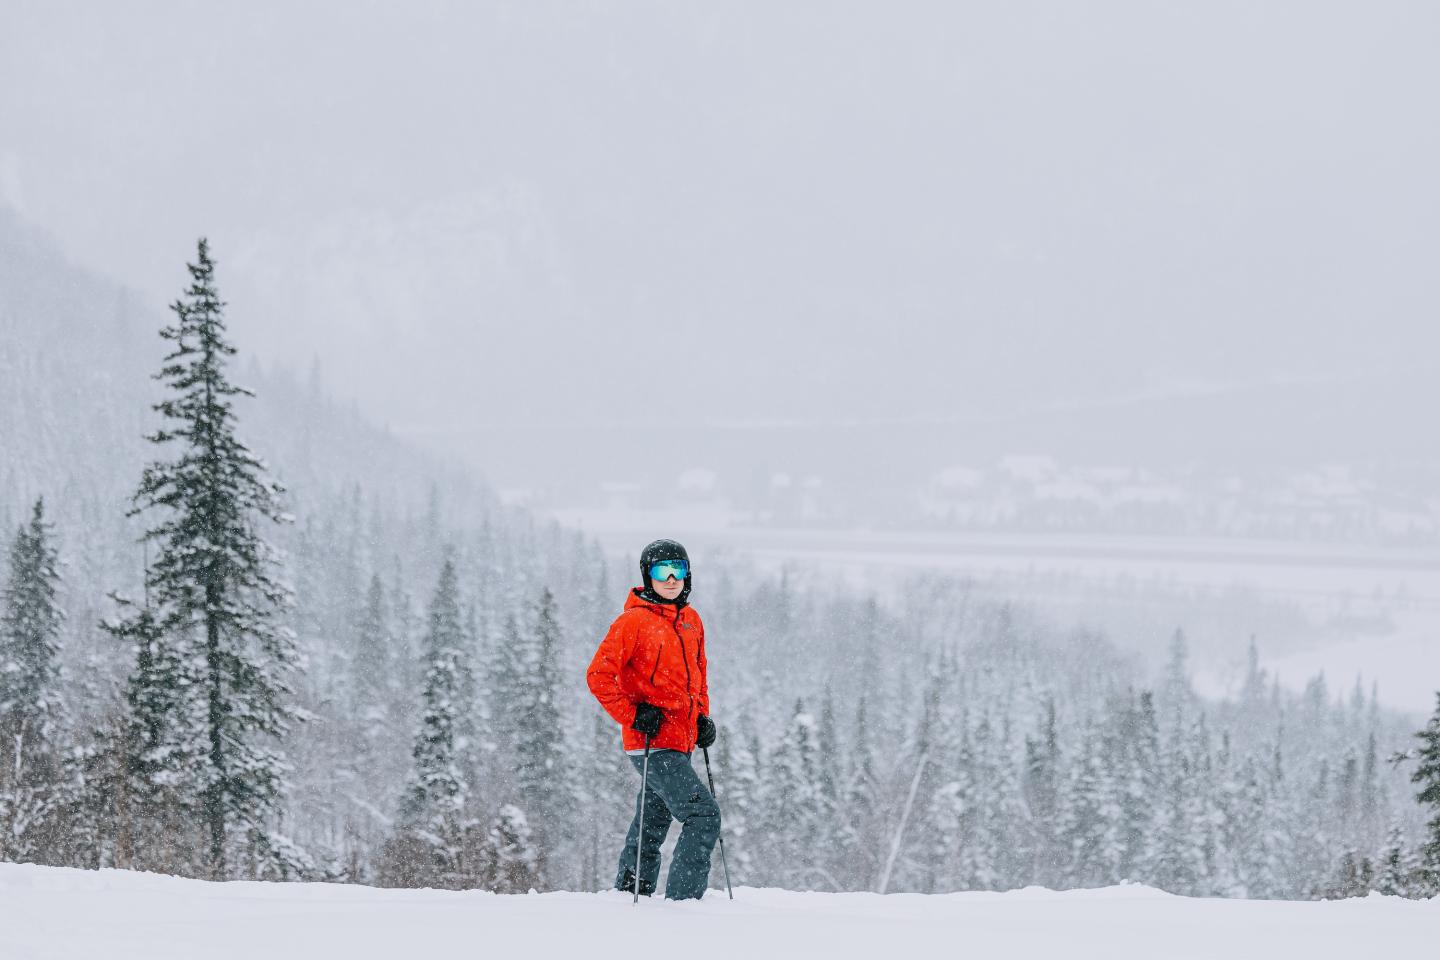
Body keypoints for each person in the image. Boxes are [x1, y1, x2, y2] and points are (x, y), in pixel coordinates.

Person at [586, 538, 720, 900]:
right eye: (663, 570)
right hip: (651, 742)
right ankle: (684, 902)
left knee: (652, 823)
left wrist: (702, 719)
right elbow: (598, 675)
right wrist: (633, 715)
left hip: (681, 742)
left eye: (680, 569)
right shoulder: (633, 623)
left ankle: (631, 893)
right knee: (703, 815)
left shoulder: (691, 620)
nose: (672, 577)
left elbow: (699, 676)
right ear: (648, 576)